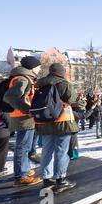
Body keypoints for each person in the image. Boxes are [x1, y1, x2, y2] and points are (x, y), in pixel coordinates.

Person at [35, 63, 78, 193]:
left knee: (46, 150)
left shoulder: (39, 84)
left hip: (43, 123)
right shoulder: (64, 84)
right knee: (61, 151)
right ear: (61, 72)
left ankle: (46, 179)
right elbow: (72, 98)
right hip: (62, 123)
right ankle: (60, 180)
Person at [3, 56, 42, 187]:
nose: (40, 68)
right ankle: (21, 176)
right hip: (23, 119)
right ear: (32, 67)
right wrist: (28, 110)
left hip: (25, 118)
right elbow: (10, 97)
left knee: (25, 147)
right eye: (38, 66)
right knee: (23, 147)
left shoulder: (25, 78)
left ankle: (24, 169)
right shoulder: (22, 78)